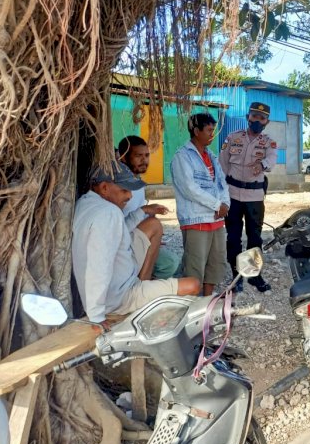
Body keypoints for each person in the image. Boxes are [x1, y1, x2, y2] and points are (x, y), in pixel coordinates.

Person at [73, 161, 201, 326]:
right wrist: (97, 317)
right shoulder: (109, 213)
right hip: (120, 298)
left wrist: (143, 211)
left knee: (153, 224)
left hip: (117, 283)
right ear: (104, 188)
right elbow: (98, 268)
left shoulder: (86, 203)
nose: (130, 196)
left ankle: (144, 285)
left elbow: (117, 234)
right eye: (124, 190)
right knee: (193, 285)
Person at [219, 102, 278, 292]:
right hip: (233, 196)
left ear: (266, 122)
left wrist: (261, 165)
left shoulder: (268, 142)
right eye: (254, 116)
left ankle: (254, 275)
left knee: (255, 238)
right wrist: (223, 191)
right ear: (248, 117)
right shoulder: (233, 138)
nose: (257, 120)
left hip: (254, 197)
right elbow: (223, 165)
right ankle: (236, 276)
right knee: (233, 237)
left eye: (261, 118)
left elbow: (272, 160)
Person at [171, 113, 230, 297]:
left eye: (213, 130)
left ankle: (206, 302)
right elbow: (189, 188)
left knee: (215, 264)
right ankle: (191, 307)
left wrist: (225, 204)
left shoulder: (211, 156)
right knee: (195, 266)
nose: (212, 134)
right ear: (196, 131)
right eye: (209, 130)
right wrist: (216, 205)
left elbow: (222, 183)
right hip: (196, 220)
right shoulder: (182, 157)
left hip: (216, 220)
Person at [118, 135, 181, 280]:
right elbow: (118, 229)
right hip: (124, 244)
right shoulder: (118, 187)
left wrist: (153, 235)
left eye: (146, 155)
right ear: (123, 157)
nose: (144, 160)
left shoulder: (138, 182)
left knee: (174, 264)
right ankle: (141, 284)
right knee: (170, 263)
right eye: (138, 156)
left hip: (140, 237)